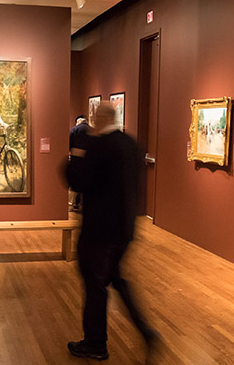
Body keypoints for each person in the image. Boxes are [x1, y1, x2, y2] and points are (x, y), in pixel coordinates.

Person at [66, 103, 158, 360]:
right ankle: (145, 330)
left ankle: (95, 343)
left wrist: (74, 158)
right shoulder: (132, 144)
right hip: (124, 229)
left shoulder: (98, 146)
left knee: (95, 285)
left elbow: (79, 181)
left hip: (98, 230)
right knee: (115, 278)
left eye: (95, 116)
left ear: (100, 117)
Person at [68, 115, 91, 212]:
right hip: (89, 161)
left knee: (75, 184)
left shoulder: (74, 130)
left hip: (76, 160)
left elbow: (68, 143)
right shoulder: (93, 131)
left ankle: (73, 204)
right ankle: (83, 205)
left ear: (78, 122)